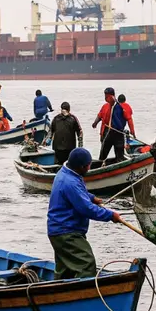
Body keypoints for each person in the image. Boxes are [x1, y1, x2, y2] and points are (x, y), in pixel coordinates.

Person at [47, 148, 124, 279]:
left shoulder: (65, 172)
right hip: (66, 233)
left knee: (65, 269)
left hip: (57, 231)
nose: (89, 167)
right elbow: (87, 209)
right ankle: (85, 296)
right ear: (81, 167)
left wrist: (91, 197)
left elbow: (78, 193)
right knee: (86, 263)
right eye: (88, 165)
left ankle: (59, 296)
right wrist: (111, 215)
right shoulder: (70, 182)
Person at [96, 89, 128, 165]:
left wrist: (130, 131)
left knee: (119, 155)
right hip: (108, 132)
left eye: (106, 97)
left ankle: (121, 168)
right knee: (103, 154)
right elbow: (100, 115)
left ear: (111, 96)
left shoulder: (118, 107)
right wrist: (95, 123)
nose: (105, 98)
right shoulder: (105, 106)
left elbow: (125, 120)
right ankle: (99, 167)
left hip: (117, 133)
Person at [50, 101, 84, 166]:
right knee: (69, 165)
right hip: (69, 149)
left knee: (57, 165)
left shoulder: (56, 118)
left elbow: (50, 131)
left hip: (57, 148)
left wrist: (46, 141)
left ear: (61, 109)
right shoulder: (73, 118)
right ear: (69, 109)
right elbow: (80, 132)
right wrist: (80, 147)